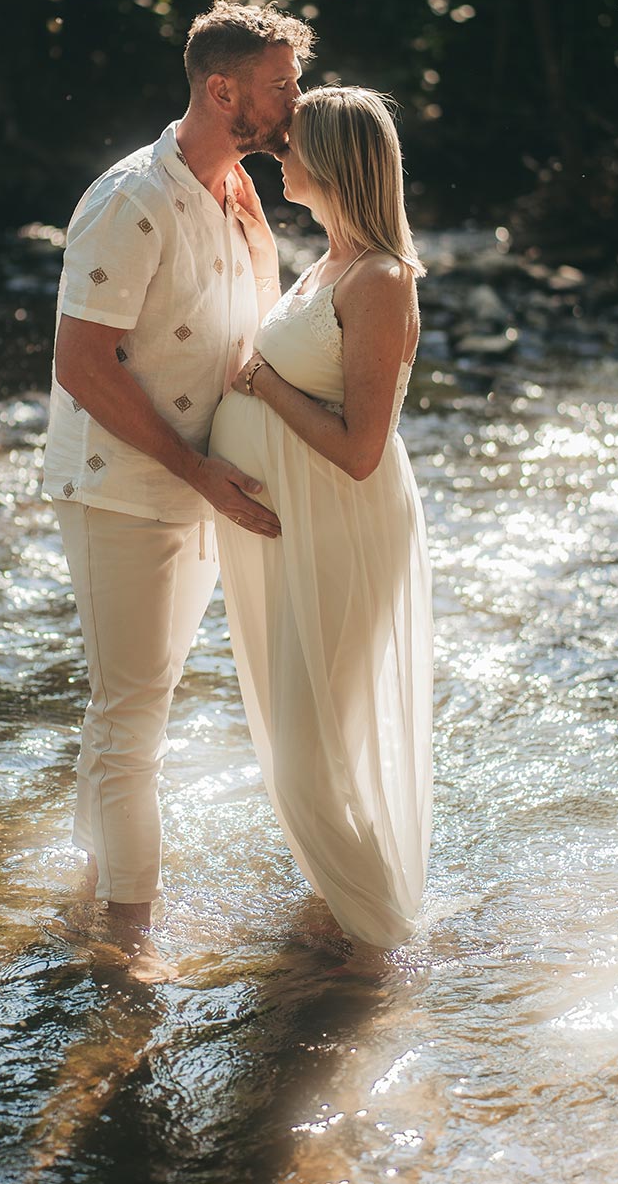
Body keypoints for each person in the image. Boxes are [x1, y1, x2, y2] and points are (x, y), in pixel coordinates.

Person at [42, 0, 316, 960]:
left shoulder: (240, 189)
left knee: (132, 699)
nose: (297, 103)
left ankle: (92, 890)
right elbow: (83, 365)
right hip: (125, 486)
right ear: (223, 90)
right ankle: (128, 942)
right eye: (282, 86)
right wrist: (198, 469)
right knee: (133, 715)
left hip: (204, 483)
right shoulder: (131, 198)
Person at [209, 86, 433, 950]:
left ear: (334, 161)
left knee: (308, 759)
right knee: (307, 746)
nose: (279, 153)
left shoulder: (380, 279)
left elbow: (361, 449)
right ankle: (353, 920)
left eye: (293, 143)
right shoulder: (329, 263)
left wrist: (262, 383)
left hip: (343, 524)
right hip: (296, 524)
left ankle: (387, 950)